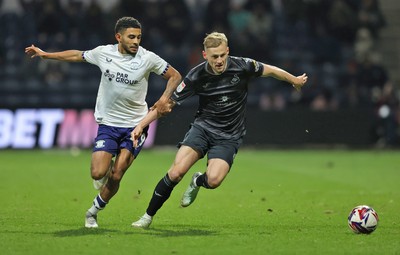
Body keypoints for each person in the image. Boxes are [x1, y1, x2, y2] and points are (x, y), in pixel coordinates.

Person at [130, 32, 308, 228]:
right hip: (203, 129)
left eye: (223, 55)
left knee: (213, 180)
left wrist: (294, 80)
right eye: (215, 56)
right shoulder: (196, 75)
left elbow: (271, 70)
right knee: (176, 173)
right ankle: (147, 217)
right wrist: (141, 125)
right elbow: (167, 105)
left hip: (229, 136)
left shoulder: (242, 65)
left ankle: (198, 181)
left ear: (228, 51)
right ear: (205, 55)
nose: (220, 60)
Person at [24, 17, 182, 228]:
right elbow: (76, 55)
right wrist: (46, 55)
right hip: (108, 123)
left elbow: (175, 76)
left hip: (136, 125)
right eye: (131, 37)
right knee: (98, 173)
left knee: (117, 174)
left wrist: (163, 99)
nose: (136, 41)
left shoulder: (148, 58)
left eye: (139, 37)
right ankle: (106, 167)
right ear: (119, 37)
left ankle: (92, 212)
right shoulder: (103, 53)